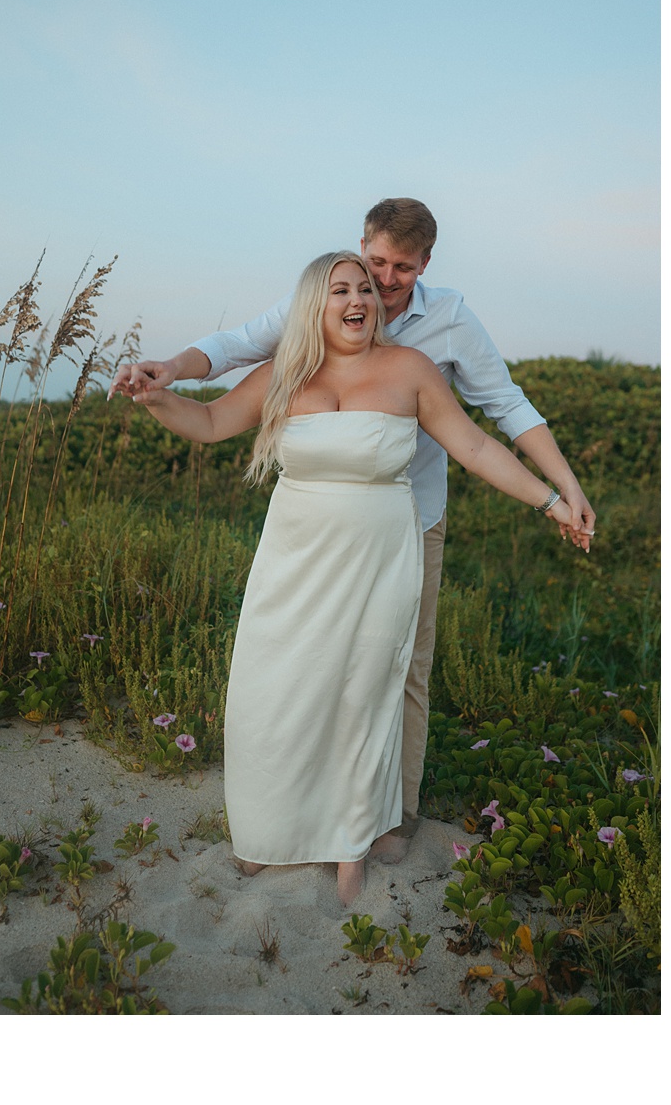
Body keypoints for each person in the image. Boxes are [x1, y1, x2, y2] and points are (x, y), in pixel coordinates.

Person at [110, 198, 596, 860]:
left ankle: (391, 817)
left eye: (397, 270)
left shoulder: (443, 329)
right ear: (358, 250)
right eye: (372, 266)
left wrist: (560, 492)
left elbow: (494, 423)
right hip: (305, 540)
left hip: (407, 521)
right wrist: (165, 375)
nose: (380, 282)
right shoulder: (315, 312)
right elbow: (228, 360)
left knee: (398, 671)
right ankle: (290, 816)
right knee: (295, 672)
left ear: (424, 265)